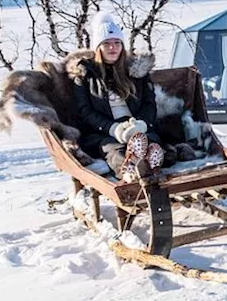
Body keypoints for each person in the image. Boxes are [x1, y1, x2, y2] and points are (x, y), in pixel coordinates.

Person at [71, 11, 166, 182]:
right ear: (98, 47)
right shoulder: (86, 74)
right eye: (106, 43)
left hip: (137, 126)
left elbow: (149, 103)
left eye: (117, 42)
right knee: (114, 150)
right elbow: (85, 112)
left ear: (123, 46)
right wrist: (113, 128)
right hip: (104, 131)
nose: (112, 47)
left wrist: (142, 124)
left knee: (151, 141)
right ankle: (130, 171)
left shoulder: (136, 71)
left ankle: (151, 161)